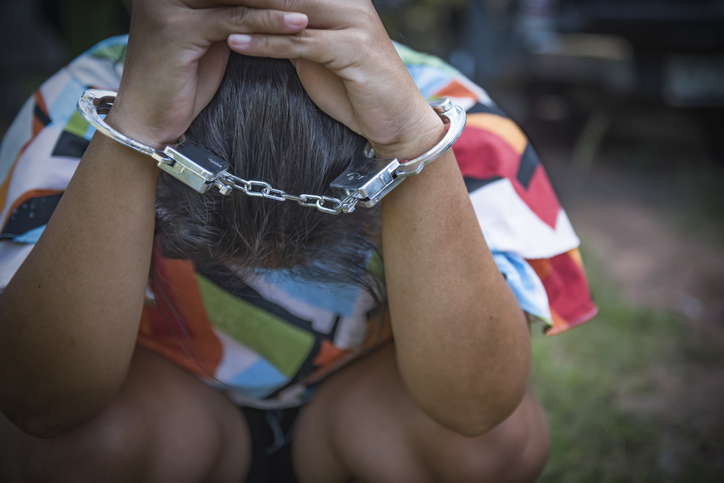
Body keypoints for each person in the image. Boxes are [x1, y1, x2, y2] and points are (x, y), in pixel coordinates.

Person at [0, 0, 596, 481]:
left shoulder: (458, 119)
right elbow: (38, 404)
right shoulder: (79, 108)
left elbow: (480, 409)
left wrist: (414, 140)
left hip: (368, 418)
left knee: (487, 450)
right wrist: (133, 126)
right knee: (75, 454)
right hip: (169, 414)